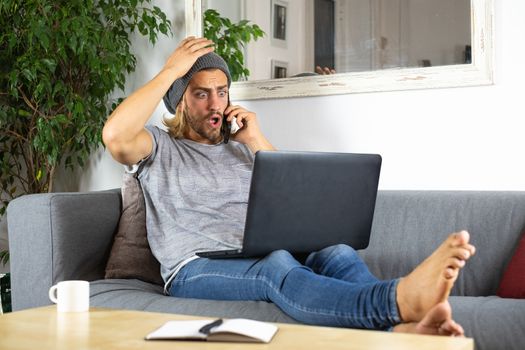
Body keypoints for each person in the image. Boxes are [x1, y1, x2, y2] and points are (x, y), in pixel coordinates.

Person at [103, 37, 475, 335]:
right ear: (180, 101)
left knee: (336, 251)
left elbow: (296, 200)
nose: (216, 104)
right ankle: (396, 302)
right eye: (201, 93)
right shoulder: (158, 145)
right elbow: (115, 136)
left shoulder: (241, 148)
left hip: (253, 252)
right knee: (276, 265)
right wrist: (170, 71)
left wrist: (255, 140)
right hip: (194, 267)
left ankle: (401, 329)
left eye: (222, 91)